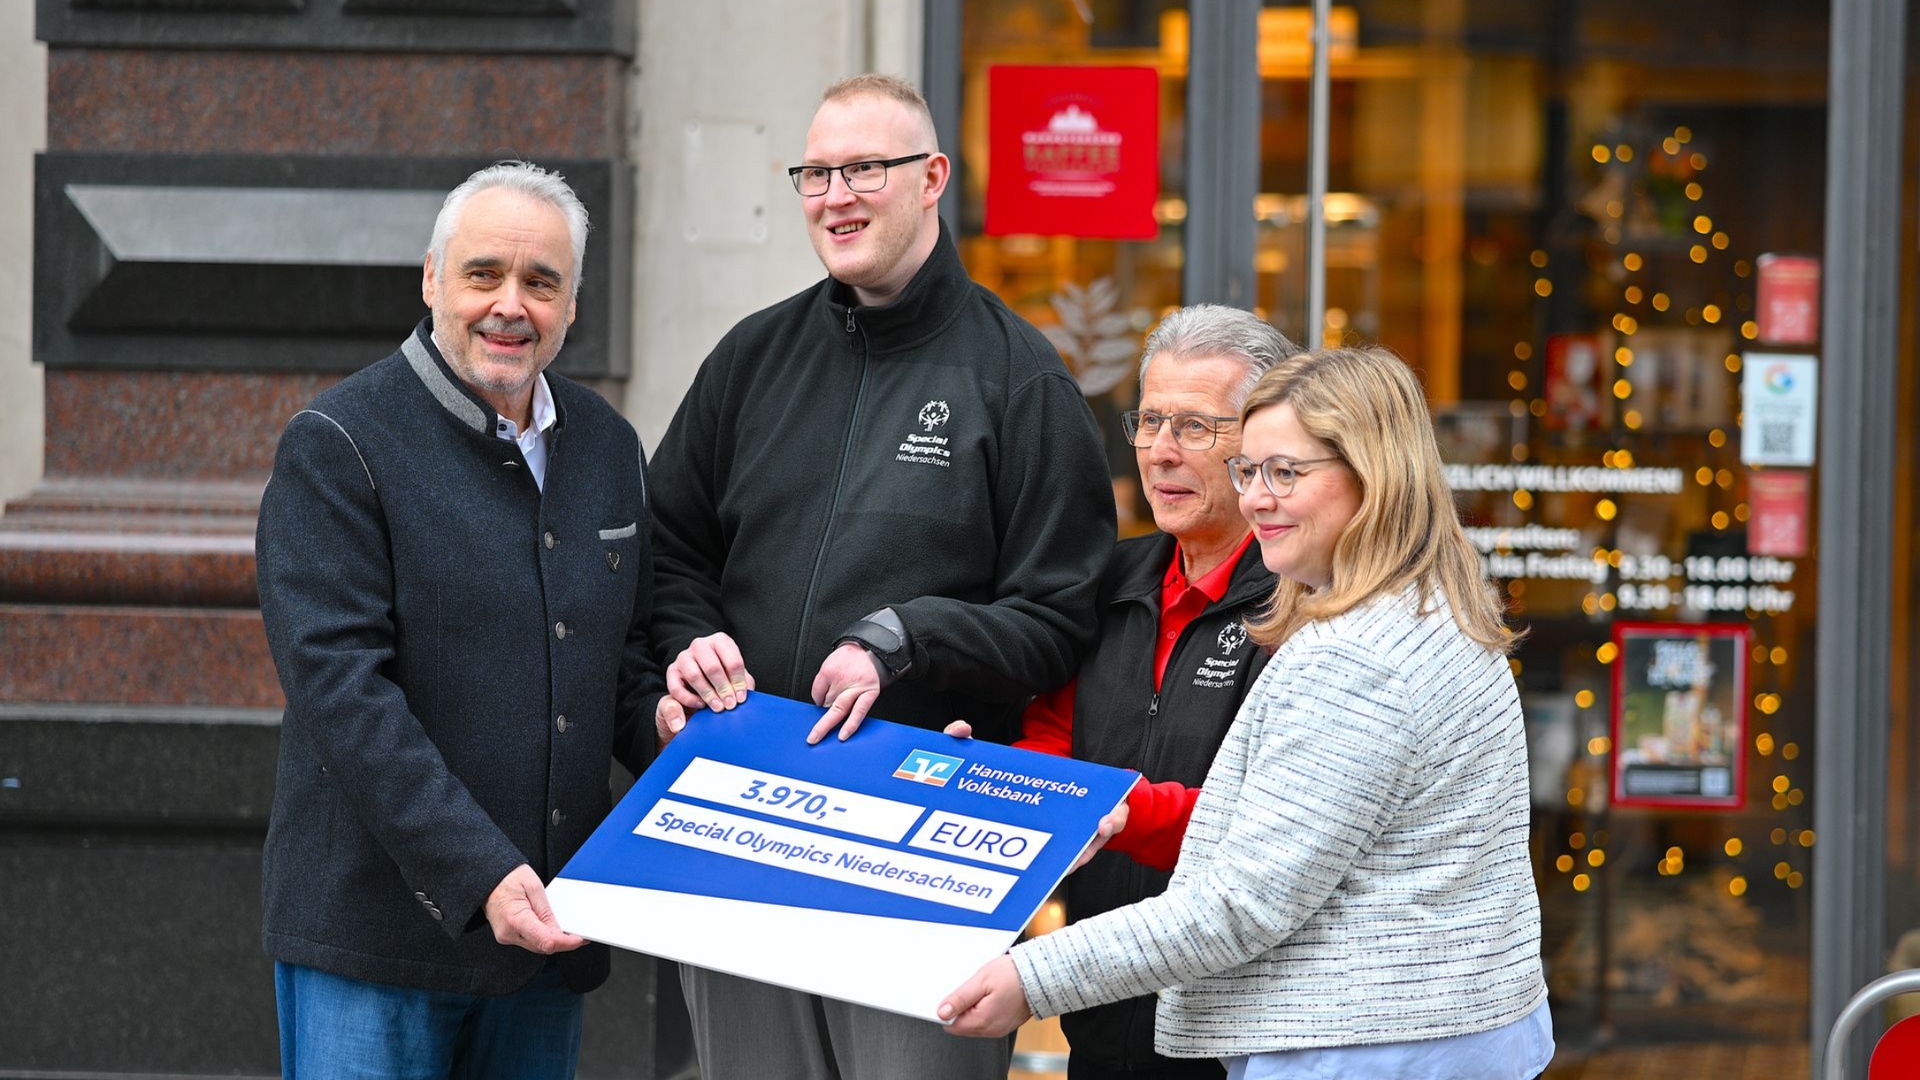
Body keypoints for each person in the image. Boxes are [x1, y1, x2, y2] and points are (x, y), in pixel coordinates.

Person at [646, 74, 1115, 1079]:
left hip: (920, 846)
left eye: (864, 168)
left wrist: (905, 639)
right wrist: (689, 645)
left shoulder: (1019, 379)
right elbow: (669, 548)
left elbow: (1061, 615)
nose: (835, 196)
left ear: (932, 178)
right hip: (737, 822)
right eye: (816, 174)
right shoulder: (750, 360)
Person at [940, 347, 1554, 1080]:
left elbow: (1243, 902)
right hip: (1435, 1029)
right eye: (1249, 470)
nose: (1257, 498)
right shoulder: (1428, 607)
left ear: (1375, 477)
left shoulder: (1355, 658)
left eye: (1285, 473)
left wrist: (1034, 978)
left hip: (1365, 1046)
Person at [255, 161, 667, 1078]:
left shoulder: (609, 445)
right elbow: (342, 696)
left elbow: (623, 660)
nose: (510, 305)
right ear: (433, 279)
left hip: (545, 947)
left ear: (572, 304)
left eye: (541, 282)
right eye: (484, 274)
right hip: (375, 945)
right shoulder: (338, 443)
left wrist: (669, 726)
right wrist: (480, 870)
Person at [950, 304, 1298, 1080]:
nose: (1162, 451)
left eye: (1195, 427)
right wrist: (1002, 783)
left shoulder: (1302, 605)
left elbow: (1269, 829)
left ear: (1263, 445)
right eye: (1150, 422)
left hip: (1241, 1038)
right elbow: (1051, 733)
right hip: (1103, 1017)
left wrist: (1114, 809)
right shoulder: (1106, 579)